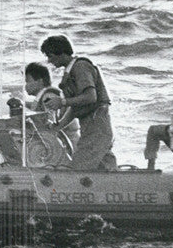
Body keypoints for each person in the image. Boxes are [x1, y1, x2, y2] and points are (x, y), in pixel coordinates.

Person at [40, 35, 117, 171]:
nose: (49, 60)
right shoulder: (71, 70)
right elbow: (76, 108)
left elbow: (90, 97)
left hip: (97, 125)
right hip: (91, 126)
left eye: (50, 56)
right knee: (104, 169)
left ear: (61, 53)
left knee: (79, 168)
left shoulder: (80, 67)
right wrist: (58, 127)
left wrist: (62, 102)